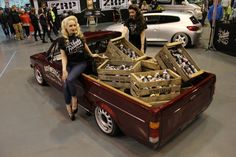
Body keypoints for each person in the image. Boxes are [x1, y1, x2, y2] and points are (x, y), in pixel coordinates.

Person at [58, 16, 106, 121]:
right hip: (70, 65)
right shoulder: (62, 40)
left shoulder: (79, 36)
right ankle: (69, 110)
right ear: (66, 27)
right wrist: (64, 70)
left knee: (70, 79)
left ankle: (74, 99)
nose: (73, 27)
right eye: (70, 26)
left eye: (74, 25)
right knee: (65, 84)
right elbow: (63, 56)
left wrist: (92, 55)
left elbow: (85, 46)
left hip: (81, 63)